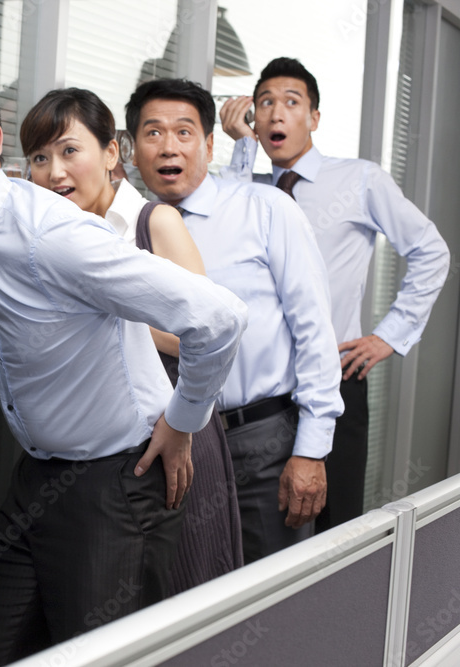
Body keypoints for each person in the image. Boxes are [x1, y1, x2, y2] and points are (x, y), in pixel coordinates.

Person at [0, 52, 248, 664]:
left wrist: (185, 421)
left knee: (94, 654)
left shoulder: (51, 235)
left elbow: (219, 317)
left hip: (118, 477)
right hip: (39, 475)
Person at [20, 86, 243, 592]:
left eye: (69, 151)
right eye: (39, 157)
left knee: (184, 587)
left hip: (174, 427)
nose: (54, 172)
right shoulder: (51, 236)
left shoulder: (154, 221)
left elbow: (204, 337)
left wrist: (118, 313)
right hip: (101, 454)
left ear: (111, 153)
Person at [219, 57, 450, 530]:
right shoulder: (243, 188)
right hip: (259, 395)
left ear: (314, 118)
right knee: (253, 531)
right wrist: (242, 152)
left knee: (333, 527)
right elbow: (219, 233)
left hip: (333, 379)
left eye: (291, 102)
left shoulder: (360, 179)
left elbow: (431, 250)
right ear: (252, 120)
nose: (276, 113)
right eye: (264, 103)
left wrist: (389, 336)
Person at [126, 78, 344, 564]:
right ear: (130, 149)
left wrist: (311, 450)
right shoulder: (122, 232)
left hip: (259, 444)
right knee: (180, 601)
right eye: (153, 133)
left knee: (271, 601)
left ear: (207, 145)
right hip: (167, 450)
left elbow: (313, 330)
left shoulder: (264, 208)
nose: (168, 147)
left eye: (184, 133)